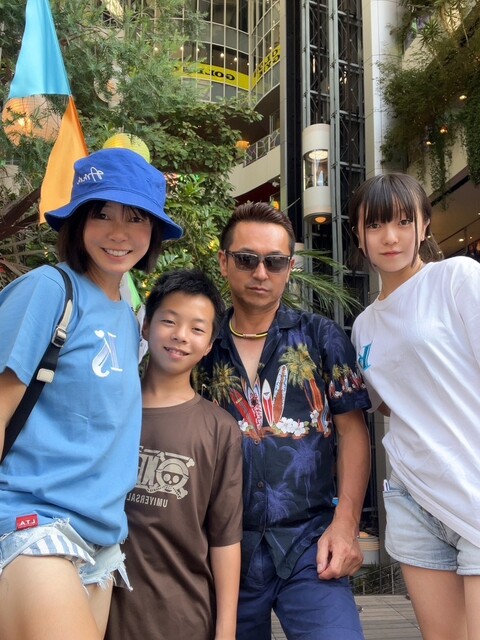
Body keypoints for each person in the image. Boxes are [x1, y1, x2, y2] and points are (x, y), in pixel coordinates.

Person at [0, 147, 183, 640]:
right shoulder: (48, 289)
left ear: (153, 230)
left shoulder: (128, 315)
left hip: (102, 543)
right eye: (102, 213)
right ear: (79, 220)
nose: (119, 232)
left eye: (136, 217)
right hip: (33, 522)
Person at [197, 202, 371, 640]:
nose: (261, 272)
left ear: (290, 267)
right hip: (222, 549)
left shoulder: (321, 336)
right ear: (224, 261)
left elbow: (353, 431)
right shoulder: (199, 345)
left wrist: (346, 525)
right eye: (246, 259)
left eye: (274, 262)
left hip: (310, 543)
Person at [349, 173, 480, 640]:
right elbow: (388, 404)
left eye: (404, 222)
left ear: (424, 225)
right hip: (413, 497)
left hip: (473, 484)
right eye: (375, 224)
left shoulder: (456, 277)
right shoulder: (363, 327)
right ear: (358, 235)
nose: (390, 236)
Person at [105, 269, 243, 640]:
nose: (180, 335)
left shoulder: (219, 429)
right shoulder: (106, 408)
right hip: (97, 611)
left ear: (210, 344)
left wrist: (226, 630)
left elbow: (225, 538)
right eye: (169, 321)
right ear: (146, 326)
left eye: (197, 328)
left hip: (182, 619)